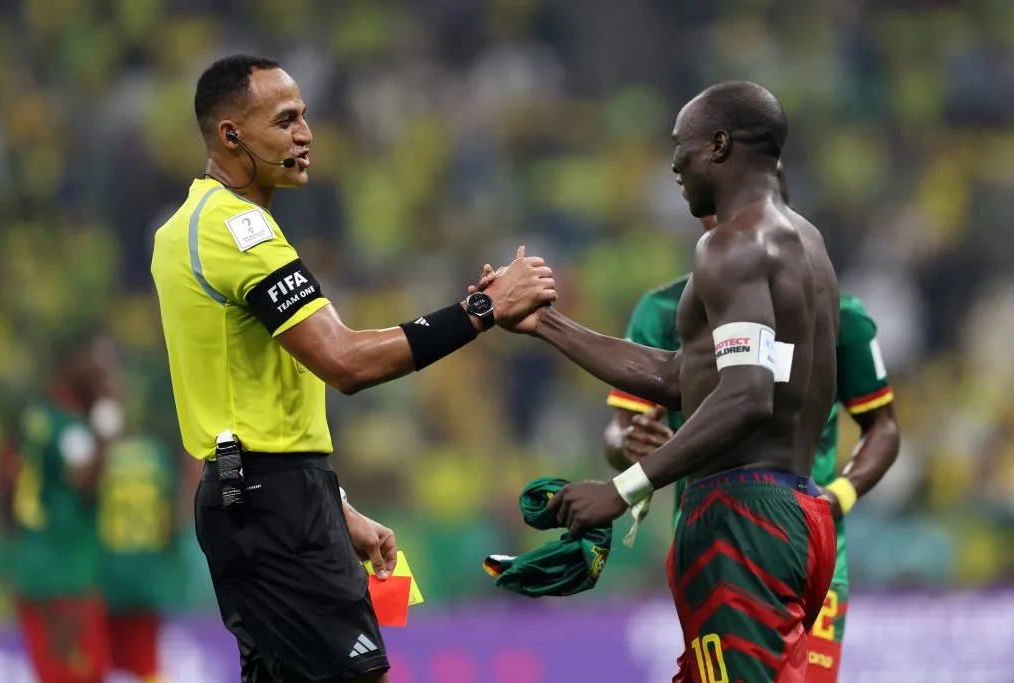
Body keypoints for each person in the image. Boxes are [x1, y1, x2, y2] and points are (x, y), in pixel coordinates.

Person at [150, 54, 556, 683]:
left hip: (260, 496)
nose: (306, 134)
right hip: (273, 505)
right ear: (231, 134)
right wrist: (481, 310)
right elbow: (344, 361)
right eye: (284, 121)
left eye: (305, 117)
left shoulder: (190, 227)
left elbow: (253, 398)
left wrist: (334, 506)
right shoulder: (238, 231)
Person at [479, 81, 840, 681]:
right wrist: (545, 323)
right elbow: (686, 376)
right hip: (794, 511)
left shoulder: (731, 245)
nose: (673, 162)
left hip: (741, 519)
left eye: (682, 145)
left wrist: (623, 488)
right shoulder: (802, 241)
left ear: (719, 145)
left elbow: (746, 396)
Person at [602, 163, 900, 682]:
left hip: (804, 538)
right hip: (714, 543)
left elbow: (883, 427)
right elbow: (618, 430)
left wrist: (841, 495)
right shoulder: (662, 311)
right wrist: (628, 444)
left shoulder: (838, 316)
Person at [0, 333, 124, 683]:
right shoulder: (69, 427)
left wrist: (20, 550)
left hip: (34, 569)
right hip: (66, 576)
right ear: (74, 363)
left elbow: (6, 482)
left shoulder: (32, 417)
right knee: (82, 676)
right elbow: (85, 485)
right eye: (99, 364)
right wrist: (106, 430)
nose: (106, 375)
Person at [97, 432, 194, 683]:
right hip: (147, 571)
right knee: (146, 664)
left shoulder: (101, 454)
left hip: (105, 571)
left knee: (97, 662)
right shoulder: (156, 456)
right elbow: (173, 514)